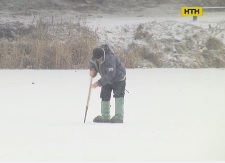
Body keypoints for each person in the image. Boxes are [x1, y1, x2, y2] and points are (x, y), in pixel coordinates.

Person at [89, 44, 126, 123]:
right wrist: (92, 70)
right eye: (97, 59)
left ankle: (119, 116)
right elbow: (92, 64)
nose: (98, 60)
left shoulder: (109, 58)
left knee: (118, 95)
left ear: (103, 55)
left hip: (118, 78)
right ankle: (105, 116)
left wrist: (98, 83)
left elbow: (111, 74)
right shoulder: (94, 58)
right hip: (106, 78)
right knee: (104, 95)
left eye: (99, 59)